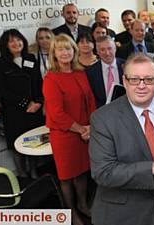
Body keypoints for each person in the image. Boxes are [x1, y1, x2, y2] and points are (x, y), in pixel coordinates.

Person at [89, 52, 154, 225]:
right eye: (134, 79)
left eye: (148, 79)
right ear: (124, 81)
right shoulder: (102, 118)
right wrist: (153, 168)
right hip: (122, 214)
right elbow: (103, 172)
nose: (141, 86)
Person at [43, 34, 96, 225]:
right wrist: (81, 129)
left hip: (84, 132)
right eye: (60, 49)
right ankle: (71, 212)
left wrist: (90, 125)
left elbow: (90, 100)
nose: (65, 52)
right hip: (65, 135)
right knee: (66, 177)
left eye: (68, 48)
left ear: (74, 51)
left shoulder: (80, 73)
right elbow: (57, 113)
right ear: (54, 54)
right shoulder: (51, 78)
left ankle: (82, 205)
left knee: (82, 172)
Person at [0, 29, 45, 177]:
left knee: (34, 145)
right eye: (11, 41)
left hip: (34, 111)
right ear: (5, 45)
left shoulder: (31, 58)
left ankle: (35, 175)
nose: (16, 43)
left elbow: (38, 84)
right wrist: (26, 104)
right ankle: (22, 178)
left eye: (18, 39)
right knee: (17, 147)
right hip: (14, 114)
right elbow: (3, 90)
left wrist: (39, 102)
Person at [86, 36, 126, 108]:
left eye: (109, 48)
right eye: (102, 50)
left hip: (125, 109)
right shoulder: (90, 72)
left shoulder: (127, 66)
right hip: (102, 113)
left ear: (115, 49)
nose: (107, 53)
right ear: (97, 52)